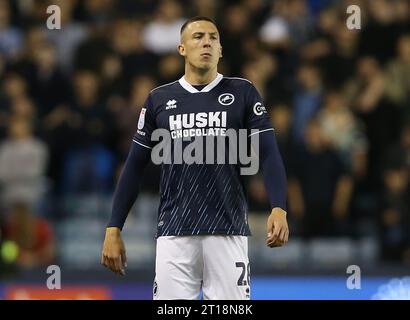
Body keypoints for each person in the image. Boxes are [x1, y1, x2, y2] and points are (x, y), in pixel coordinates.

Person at [101, 16, 289, 300]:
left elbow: (269, 152)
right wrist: (114, 226)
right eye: (198, 36)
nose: (207, 42)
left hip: (228, 230)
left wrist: (279, 207)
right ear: (181, 49)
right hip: (174, 234)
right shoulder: (158, 99)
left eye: (213, 38)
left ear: (221, 50)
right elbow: (134, 166)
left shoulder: (243, 92)